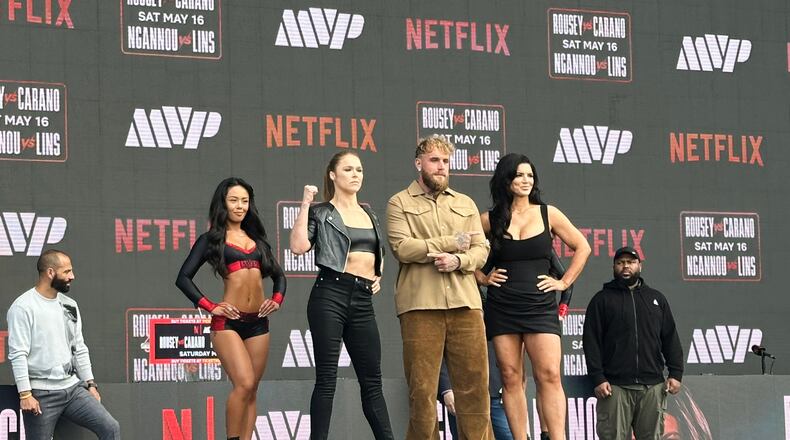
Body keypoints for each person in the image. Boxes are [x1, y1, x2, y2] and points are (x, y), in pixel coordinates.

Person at [476, 153, 591, 440]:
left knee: (550, 374)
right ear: (506, 180)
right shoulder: (489, 219)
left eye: (530, 175)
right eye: (519, 175)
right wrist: (482, 277)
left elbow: (583, 247)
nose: (526, 180)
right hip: (502, 306)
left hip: (540, 306)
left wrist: (563, 282)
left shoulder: (548, 213)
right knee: (512, 377)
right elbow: (465, 253)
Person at [387, 134, 493, 439]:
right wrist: (452, 243)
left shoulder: (465, 203)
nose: (441, 167)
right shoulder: (399, 202)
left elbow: (481, 250)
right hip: (420, 305)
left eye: (446, 161)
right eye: (434, 160)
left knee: (475, 389)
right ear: (418, 163)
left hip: (466, 303)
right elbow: (402, 248)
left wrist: (458, 261)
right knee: (422, 392)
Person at [289, 151, 394, 439]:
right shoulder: (321, 212)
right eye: (348, 169)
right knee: (326, 380)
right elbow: (298, 247)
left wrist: (377, 276)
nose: (356, 174)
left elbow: (374, 254)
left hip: (362, 299)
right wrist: (306, 203)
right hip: (330, 295)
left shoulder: (369, 213)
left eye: (359, 169)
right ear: (333, 175)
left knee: (372, 383)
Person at [176, 177, 286, 440]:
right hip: (228, 324)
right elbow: (183, 277)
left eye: (245, 201)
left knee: (252, 389)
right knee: (244, 383)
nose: (240, 206)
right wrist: (210, 306)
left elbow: (279, 276)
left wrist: (277, 299)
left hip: (258, 323)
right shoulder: (211, 239)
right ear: (223, 203)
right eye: (234, 200)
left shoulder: (258, 240)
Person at [7, 249, 121, 439]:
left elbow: (79, 347)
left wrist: (90, 384)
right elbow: (18, 353)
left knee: (111, 427)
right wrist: (25, 395)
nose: (72, 276)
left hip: (73, 389)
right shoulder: (23, 307)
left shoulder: (70, 305)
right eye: (67, 271)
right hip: (41, 394)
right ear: (50, 272)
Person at [583, 247, 684, 440]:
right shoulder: (601, 300)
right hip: (614, 387)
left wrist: (676, 372)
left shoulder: (656, 299)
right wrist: (598, 377)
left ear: (640, 266)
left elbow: (670, 337)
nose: (625, 266)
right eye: (620, 263)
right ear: (614, 267)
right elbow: (591, 341)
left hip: (652, 386)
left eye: (631, 262)